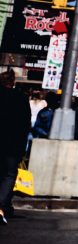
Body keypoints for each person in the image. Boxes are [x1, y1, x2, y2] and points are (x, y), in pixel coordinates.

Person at [0, 69, 32, 225]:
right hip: (12, 145)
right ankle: (2, 205)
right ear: (12, 82)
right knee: (9, 175)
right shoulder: (20, 98)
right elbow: (25, 124)